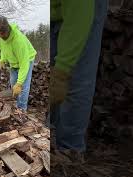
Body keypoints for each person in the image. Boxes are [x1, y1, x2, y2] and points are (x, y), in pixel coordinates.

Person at [49, 0, 108, 157]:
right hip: (57, 10)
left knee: (76, 81)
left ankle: (70, 150)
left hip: (83, 7)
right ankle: (52, 134)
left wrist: (62, 71)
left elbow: (79, 12)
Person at [0, 17, 37, 112]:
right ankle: (20, 102)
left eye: (3, 33)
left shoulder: (19, 40)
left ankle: (22, 110)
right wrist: (2, 59)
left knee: (22, 87)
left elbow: (24, 64)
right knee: (13, 83)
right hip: (13, 62)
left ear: (8, 29)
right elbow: (3, 49)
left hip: (27, 60)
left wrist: (19, 83)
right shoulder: (0, 37)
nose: (1, 36)